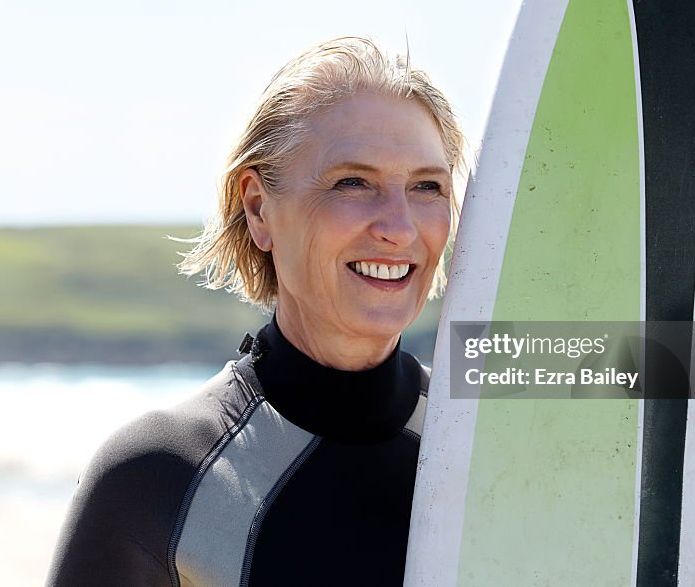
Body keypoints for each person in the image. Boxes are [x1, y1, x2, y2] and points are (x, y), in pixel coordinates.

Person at [46, 36, 467, 586]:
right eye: (353, 182)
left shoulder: (485, 444)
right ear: (259, 209)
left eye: (426, 187)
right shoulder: (156, 479)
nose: (400, 227)